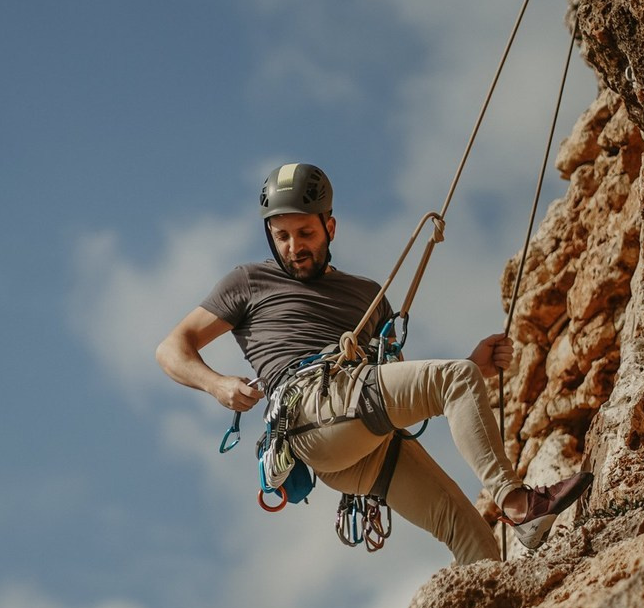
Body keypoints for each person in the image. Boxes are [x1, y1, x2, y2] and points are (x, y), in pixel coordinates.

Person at [156, 162, 592, 565]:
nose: (294, 248)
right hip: (310, 406)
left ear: (330, 226)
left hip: (358, 434)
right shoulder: (248, 283)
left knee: (470, 530)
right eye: (282, 236)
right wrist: (216, 385)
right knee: (453, 380)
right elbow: (172, 347)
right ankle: (519, 505)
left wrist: (473, 367)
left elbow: (397, 385)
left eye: (305, 233)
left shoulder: (368, 296)